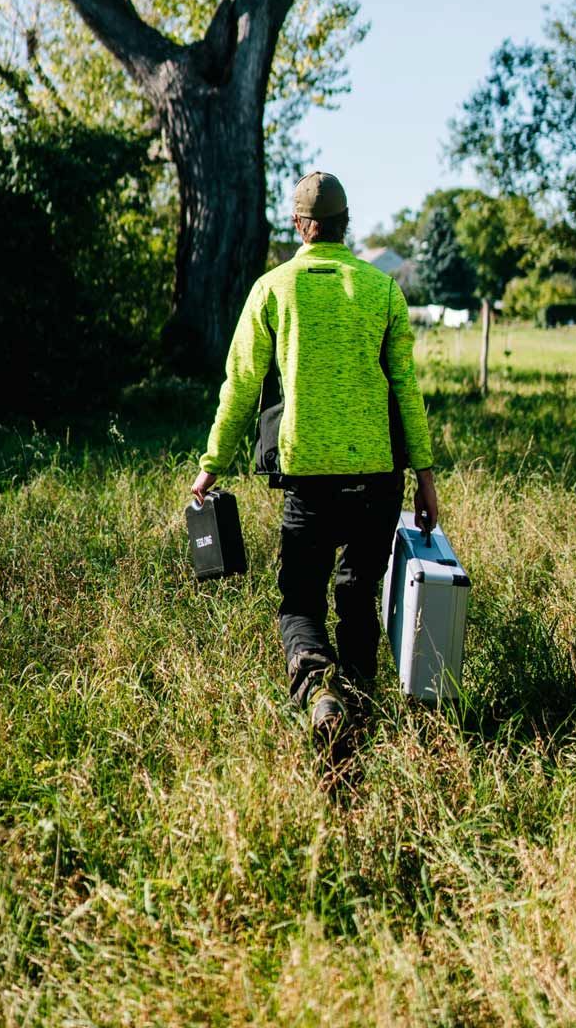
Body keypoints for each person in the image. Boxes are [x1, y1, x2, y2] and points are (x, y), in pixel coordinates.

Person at [191, 170, 438, 752]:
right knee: (358, 592)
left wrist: (213, 463)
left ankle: (318, 692)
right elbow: (406, 388)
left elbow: (241, 384)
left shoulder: (273, 289)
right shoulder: (381, 289)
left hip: (308, 475)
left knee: (301, 599)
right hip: (379, 476)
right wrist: (425, 479)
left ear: (301, 226)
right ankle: (360, 713)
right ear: (345, 225)